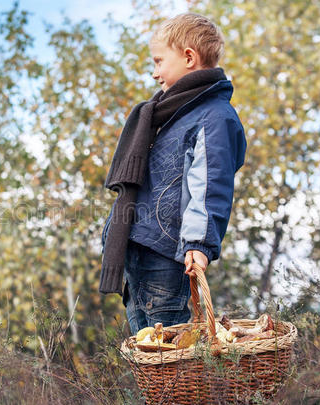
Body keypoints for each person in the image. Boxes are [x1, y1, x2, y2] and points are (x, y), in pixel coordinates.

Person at [99, 13, 247, 335]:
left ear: (189, 57)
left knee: (172, 360)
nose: (154, 73)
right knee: (149, 356)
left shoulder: (213, 117)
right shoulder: (170, 115)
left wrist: (198, 242)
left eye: (159, 61)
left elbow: (209, 184)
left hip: (164, 258)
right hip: (139, 254)